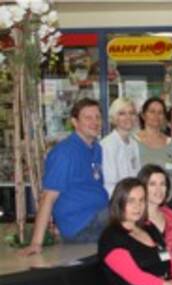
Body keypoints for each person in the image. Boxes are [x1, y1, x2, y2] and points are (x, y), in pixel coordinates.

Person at [19, 98, 109, 256]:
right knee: (132, 211)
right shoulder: (64, 153)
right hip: (81, 226)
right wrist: (36, 243)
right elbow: (48, 197)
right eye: (88, 117)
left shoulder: (96, 148)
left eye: (97, 117)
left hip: (99, 218)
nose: (95, 122)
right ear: (74, 122)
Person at [134, 97, 172, 195]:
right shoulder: (133, 142)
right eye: (152, 111)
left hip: (170, 199)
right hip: (142, 200)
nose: (156, 116)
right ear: (143, 115)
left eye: (160, 112)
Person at [101, 97, 140, 195]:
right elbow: (109, 183)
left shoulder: (134, 143)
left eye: (131, 113)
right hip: (117, 199)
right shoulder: (107, 145)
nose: (128, 117)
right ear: (114, 118)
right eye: (122, 113)